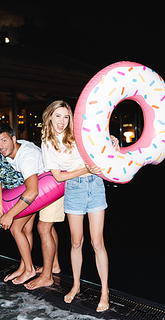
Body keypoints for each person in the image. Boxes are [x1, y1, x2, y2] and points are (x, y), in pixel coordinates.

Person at [41, 100, 115, 312]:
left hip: (95, 186)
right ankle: (76, 285)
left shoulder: (78, 134)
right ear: (50, 117)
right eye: (58, 116)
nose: (62, 121)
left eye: (66, 116)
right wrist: (84, 170)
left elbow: (101, 146)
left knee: (97, 241)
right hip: (73, 189)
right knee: (76, 242)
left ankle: (104, 291)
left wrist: (113, 141)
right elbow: (57, 176)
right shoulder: (47, 143)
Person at [0, 124, 64, 289]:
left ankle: (43, 275)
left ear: (13, 139)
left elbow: (32, 191)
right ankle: (53, 266)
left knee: (40, 227)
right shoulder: (14, 148)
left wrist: (9, 214)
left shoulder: (26, 158)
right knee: (44, 226)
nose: (0, 146)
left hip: (51, 186)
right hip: (43, 186)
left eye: (4, 140)